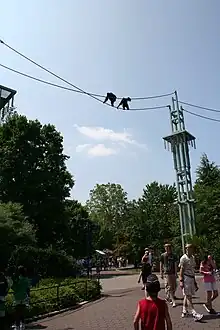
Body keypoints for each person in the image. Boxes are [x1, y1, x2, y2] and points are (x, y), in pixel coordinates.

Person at [179, 244, 203, 321]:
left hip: (191, 278)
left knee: (187, 295)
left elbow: (193, 270)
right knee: (189, 296)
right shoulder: (183, 258)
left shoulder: (192, 257)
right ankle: (194, 313)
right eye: (187, 249)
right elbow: (181, 270)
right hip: (186, 278)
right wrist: (181, 280)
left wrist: (195, 282)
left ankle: (184, 311)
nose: (188, 250)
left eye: (190, 248)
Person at [11, 266, 30, 330]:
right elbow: (28, 288)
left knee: (17, 313)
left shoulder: (18, 279)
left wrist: (13, 279)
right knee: (22, 312)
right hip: (24, 297)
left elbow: (14, 288)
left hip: (18, 297)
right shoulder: (26, 279)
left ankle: (17, 326)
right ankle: (23, 325)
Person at [0, 266, 9, 330]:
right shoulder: (5, 281)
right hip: (2, 298)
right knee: (2, 314)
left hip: (2, 298)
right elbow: (7, 288)